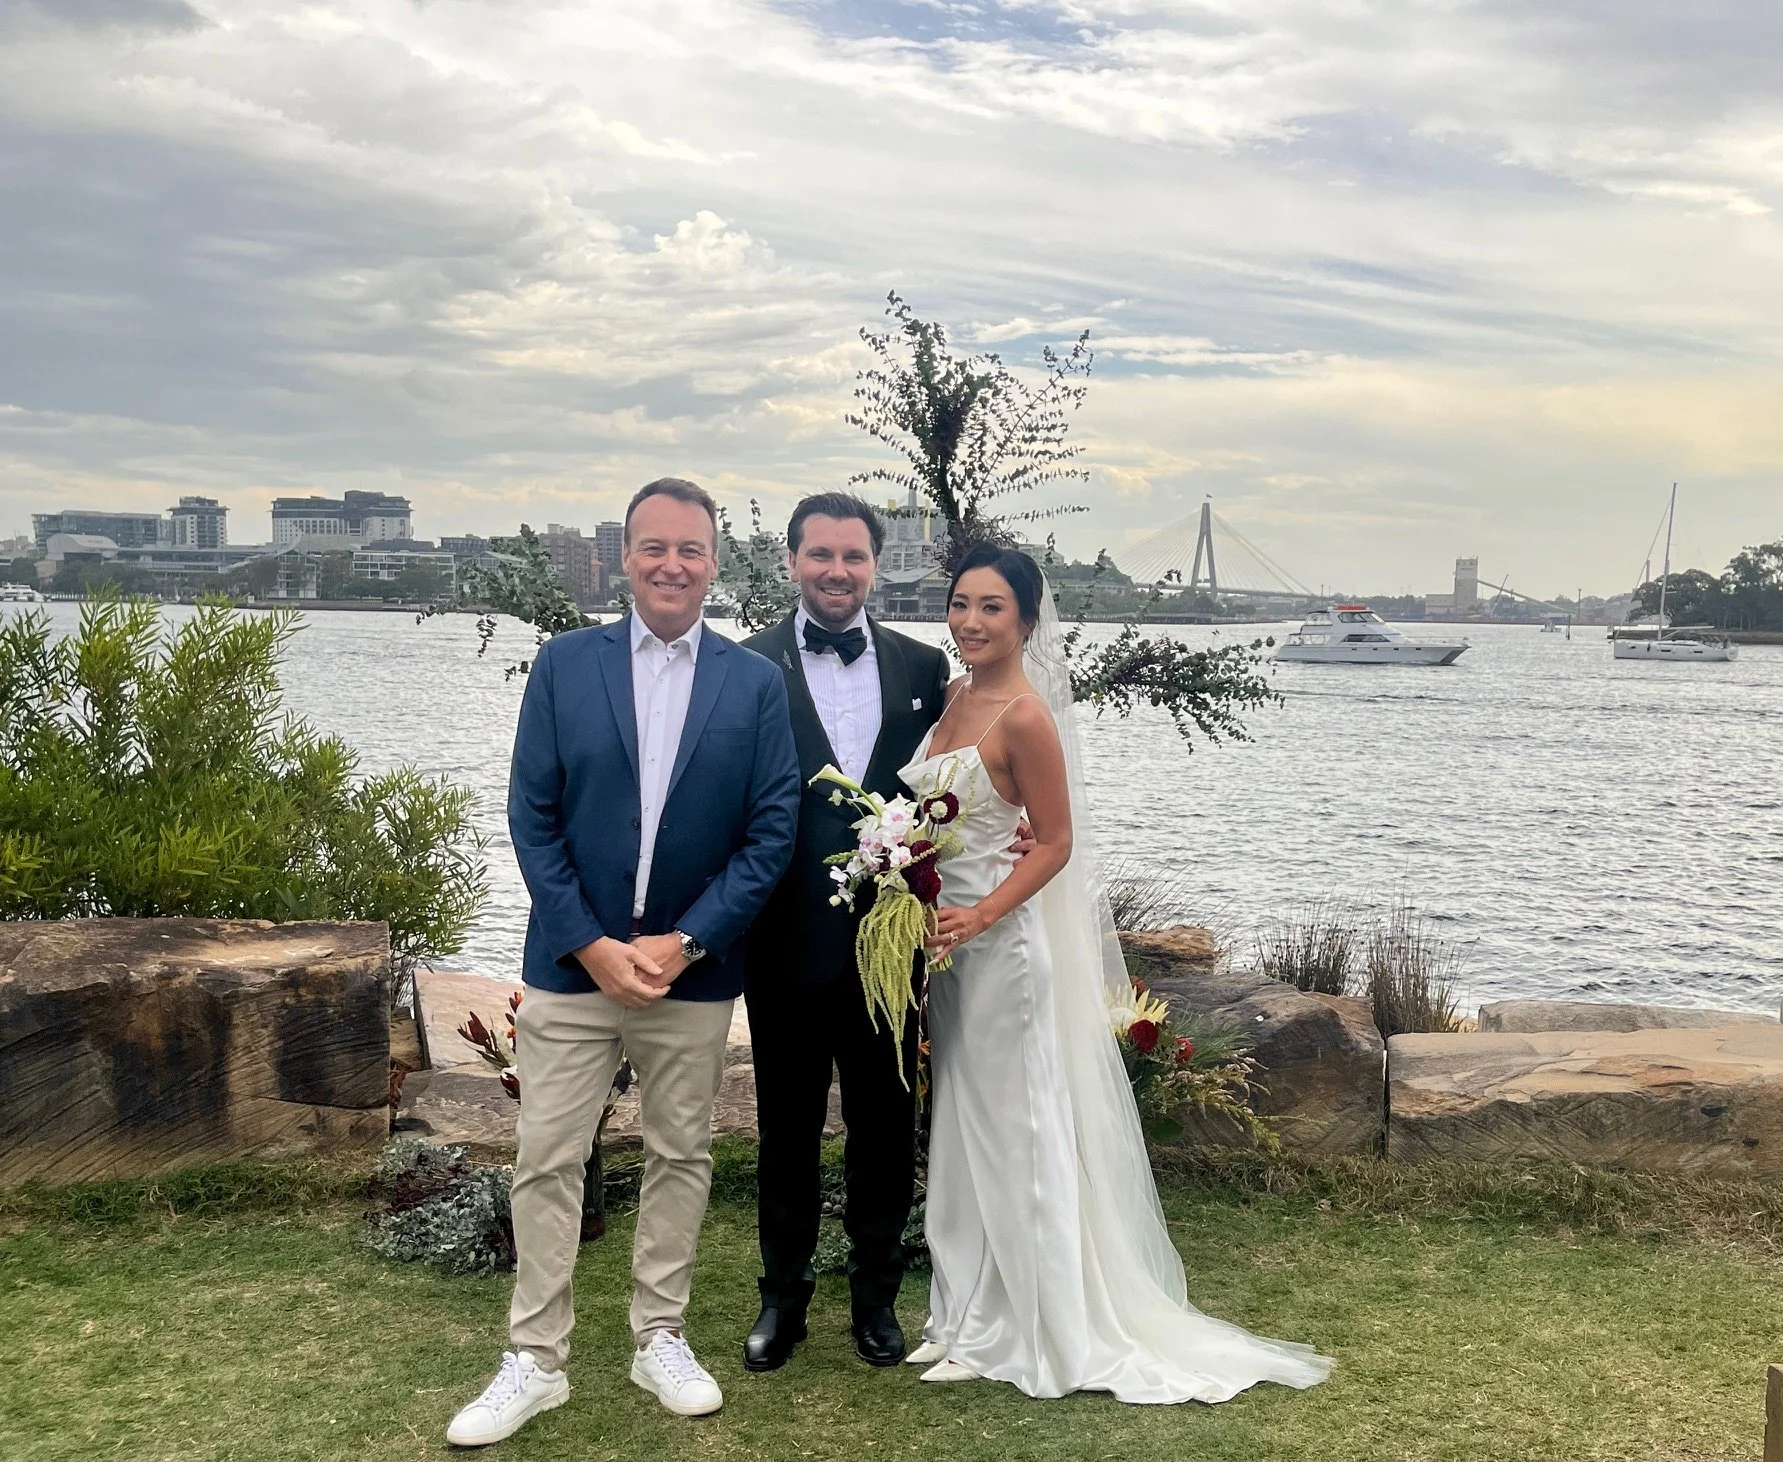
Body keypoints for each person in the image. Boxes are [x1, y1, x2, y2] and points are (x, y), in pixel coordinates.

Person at [896, 542, 1335, 1402]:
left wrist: (981, 914)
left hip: (1001, 954)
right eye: (961, 603)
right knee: (963, 1128)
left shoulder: (1024, 716)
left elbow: (1056, 842)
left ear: (1026, 619)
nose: (972, 621)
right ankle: (966, 1313)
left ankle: (1036, 1322)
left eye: (992, 607)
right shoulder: (952, 697)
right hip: (947, 955)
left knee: (1018, 1134)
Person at [447, 478, 801, 1446]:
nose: (672, 563)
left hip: (692, 974)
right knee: (547, 1158)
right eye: (654, 546)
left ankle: (659, 1336)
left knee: (682, 1154)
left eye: (691, 548)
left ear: (715, 564)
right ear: (623, 557)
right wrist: (594, 945)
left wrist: (684, 940)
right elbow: (531, 816)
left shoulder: (753, 685)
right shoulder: (564, 668)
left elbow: (772, 834)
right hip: (571, 968)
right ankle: (535, 1357)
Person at [738, 492, 952, 1371]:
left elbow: (956, 788)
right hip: (781, 941)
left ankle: (877, 1298)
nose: (837, 571)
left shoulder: (925, 668)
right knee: (783, 1131)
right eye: (820, 555)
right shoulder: (744, 667)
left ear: (876, 563)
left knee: (885, 1126)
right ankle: (781, 1302)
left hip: (889, 947)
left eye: (853, 556)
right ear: (792, 561)